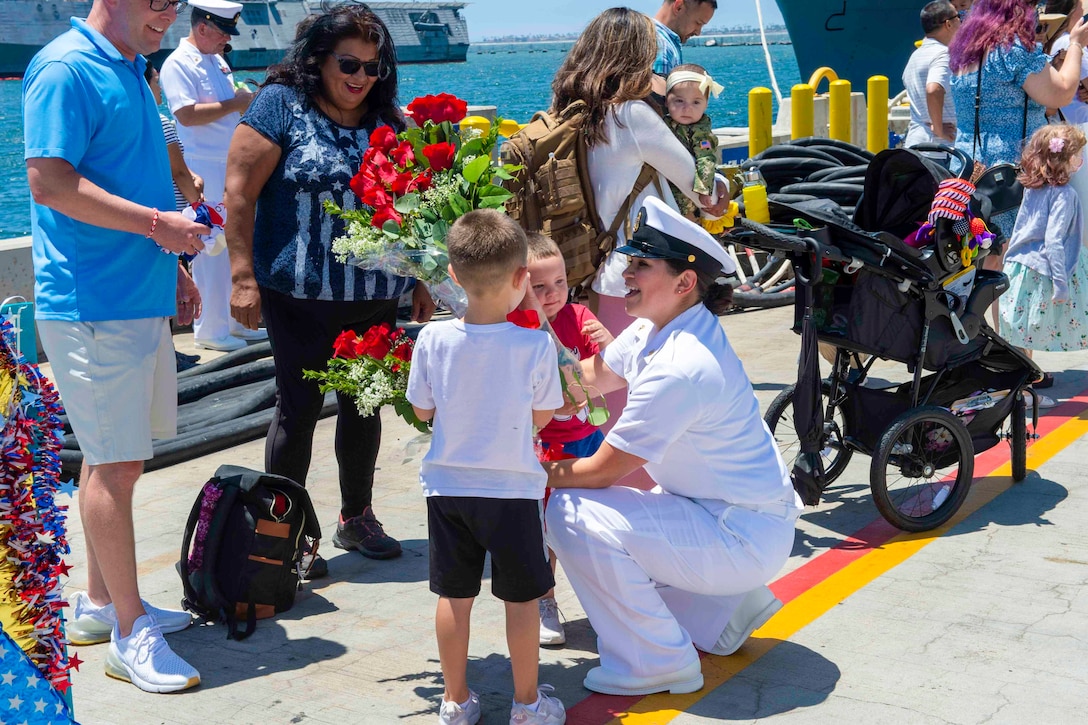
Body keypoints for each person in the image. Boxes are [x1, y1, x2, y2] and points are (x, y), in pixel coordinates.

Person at [542, 197, 802, 697]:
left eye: (641, 265)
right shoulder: (652, 329)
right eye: (630, 261)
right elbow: (585, 382)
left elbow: (600, 471)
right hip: (726, 516)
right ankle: (723, 610)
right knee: (610, 514)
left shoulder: (682, 364)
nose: (625, 275)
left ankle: (657, 661)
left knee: (573, 511)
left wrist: (527, 468)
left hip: (739, 535)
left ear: (685, 283)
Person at [23, 0, 211, 694]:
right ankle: (132, 630)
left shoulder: (133, 67)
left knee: (115, 458)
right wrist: (162, 225)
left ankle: (103, 605)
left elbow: (133, 173)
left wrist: (176, 269)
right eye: (159, 1)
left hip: (136, 293)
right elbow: (51, 183)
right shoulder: (66, 68)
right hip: (93, 301)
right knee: (114, 463)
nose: (170, 13)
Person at [225, 4, 436, 576]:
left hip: (372, 294)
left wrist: (418, 276)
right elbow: (240, 193)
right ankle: (283, 531)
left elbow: (410, 207)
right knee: (297, 409)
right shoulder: (279, 106)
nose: (360, 76)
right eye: (349, 63)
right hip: (294, 293)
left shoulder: (388, 121)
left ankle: (356, 516)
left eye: (373, 66)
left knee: (363, 406)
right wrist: (242, 277)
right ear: (318, 59)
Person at [406, 210, 567, 725]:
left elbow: (422, 411)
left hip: (448, 488)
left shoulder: (431, 339)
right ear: (523, 278)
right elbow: (543, 416)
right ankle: (526, 703)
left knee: (454, 595)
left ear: (452, 275)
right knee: (521, 600)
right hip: (514, 490)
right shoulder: (536, 345)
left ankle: (455, 701)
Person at [550, 8, 728, 461]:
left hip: (600, 275)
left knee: (613, 410)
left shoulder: (582, 112)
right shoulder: (632, 115)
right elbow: (705, 189)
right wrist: (725, 180)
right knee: (641, 421)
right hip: (642, 282)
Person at [520, 233, 612, 648]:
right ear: (520, 285)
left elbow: (616, 367)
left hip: (589, 441)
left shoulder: (578, 316)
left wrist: (610, 344)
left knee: (593, 527)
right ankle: (545, 600)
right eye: (539, 287)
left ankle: (604, 602)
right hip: (543, 450)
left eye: (559, 282)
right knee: (544, 534)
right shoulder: (518, 328)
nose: (552, 293)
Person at [161, 0, 261, 352]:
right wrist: (237, 103)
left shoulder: (217, 60)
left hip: (229, 161)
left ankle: (237, 322)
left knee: (234, 242)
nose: (226, 41)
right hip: (203, 167)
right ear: (202, 27)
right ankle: (211, 328)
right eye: (222, 32)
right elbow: (186, 115)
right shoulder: (177, 63)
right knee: (210, 247)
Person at [949, 0, 1088, 241]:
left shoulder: (966, 50)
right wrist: (1076, 44)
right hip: (1011, 174)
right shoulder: (1013, 50)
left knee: (979, 250)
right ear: (1016, 10)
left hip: (968, 168)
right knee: (1014, 251)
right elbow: (1062, 93)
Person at [999, 124, 1088, 402]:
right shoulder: (1065, 195)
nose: (1081, 161)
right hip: (1044, 271)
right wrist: (1061, 284)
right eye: (1077, 155)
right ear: (1063, 160)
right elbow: (1054, 240)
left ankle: (1021, 388)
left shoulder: (1033, 188)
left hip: (1020, 266)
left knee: (1020, 334)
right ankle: (1022, 391)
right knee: (1030, 332)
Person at [663, 64, 722, 219]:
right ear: (666, 101)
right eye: (679, 101)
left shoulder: (700, 132)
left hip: (687, 199)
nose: (687, 108)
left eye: (696, 102)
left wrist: (703, 190)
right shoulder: (661, 123)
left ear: (706, 104)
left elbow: (706, 159)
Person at [902, 1, 961, 147]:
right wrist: (939, 129)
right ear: (948, 24)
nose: (961, 21)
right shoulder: (943, 54)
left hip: (916, 142)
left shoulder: (915, 56)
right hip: (939, 149)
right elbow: (934, 89)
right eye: (958, 17)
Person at [651, 0, 718, 97]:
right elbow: (660, 105)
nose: (698, 32)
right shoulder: (662, 47)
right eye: (698, 23)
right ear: (679, 7)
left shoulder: (652, 38)